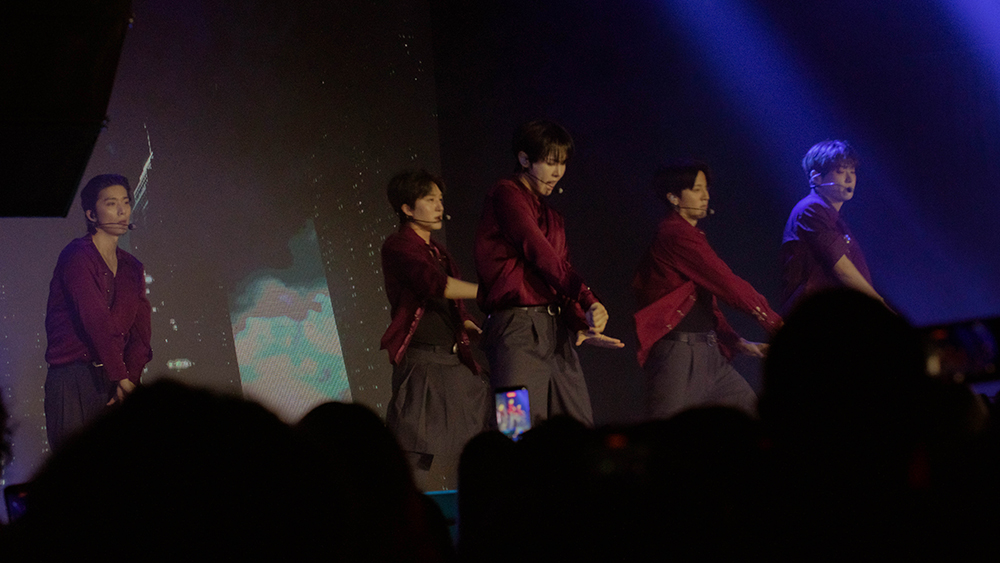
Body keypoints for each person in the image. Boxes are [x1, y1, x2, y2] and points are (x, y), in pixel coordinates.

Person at [474, 120, 622, 428]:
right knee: (514, 428)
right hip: (515, 333)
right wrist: (588, 297)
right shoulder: (506, 194)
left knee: (579, 427)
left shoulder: (553, 216)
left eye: (563, 164)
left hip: (555, 333)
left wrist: (581, 321)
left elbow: (560, 272)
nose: (558, 172)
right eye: (551, 163)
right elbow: (541, 255)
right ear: (524, 159)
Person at [633, 161, 781, 419]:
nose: (705, 196)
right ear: (674, 198)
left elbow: (704, 303)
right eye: (697, 189)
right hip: (679, 355)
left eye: (706, 189)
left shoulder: (690, 235)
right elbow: (728, 285)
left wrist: (736, 341)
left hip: (710, 353)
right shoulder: (675, 234)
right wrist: (775, 325)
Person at [380, 168, 492, 491]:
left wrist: (470, 327)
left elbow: (454, 306)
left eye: (440, 199)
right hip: (423, 364)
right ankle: (401, 509)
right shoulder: (398, 246)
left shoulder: (440, 252)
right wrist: (490, 291)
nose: (439, 206)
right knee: (414, 447)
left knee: (487, 425)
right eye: (430, 200)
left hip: (453, 362)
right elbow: (435, 285)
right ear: (407, 208)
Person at [43, 174, 152, 451]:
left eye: (125, 203)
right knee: (75, 466)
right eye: (111, 203)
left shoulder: (132, 267)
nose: (122, 211)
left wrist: (129, 381)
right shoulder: (77, 255)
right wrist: (121, 376)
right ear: (91, 214)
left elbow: (141, 334)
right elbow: (95, 319)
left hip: (117, 380)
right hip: (73, 378)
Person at [780, 140, 884, 313]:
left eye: (852, 171)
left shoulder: (835, 219)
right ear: (816, 177)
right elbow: (843, 270)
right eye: (840, 171)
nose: (849, 179)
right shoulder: (811, 210)